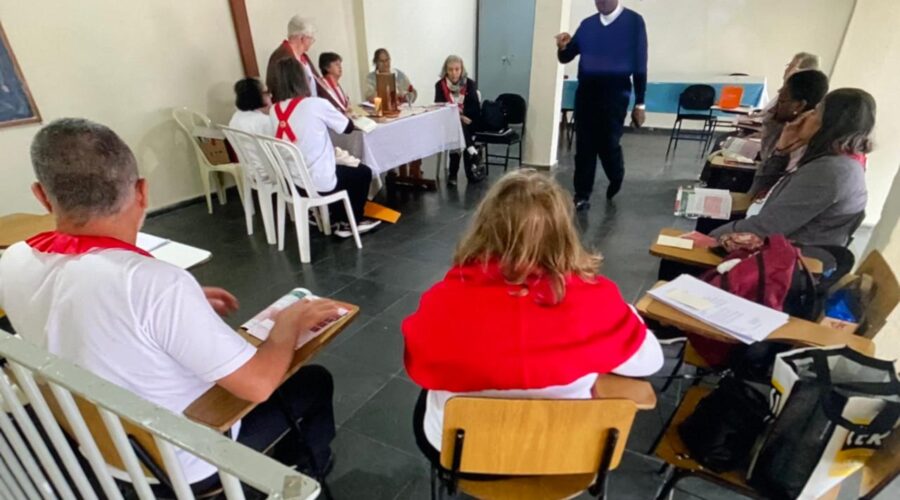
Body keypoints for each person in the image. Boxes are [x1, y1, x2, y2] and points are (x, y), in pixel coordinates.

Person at [0, 118, 341, 491]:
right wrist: (286, 326)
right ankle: (302, 472)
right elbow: (258, 386)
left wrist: (176, 311)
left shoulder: (13, 260)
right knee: (314, 382)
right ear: (142, 191)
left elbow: (83, 314)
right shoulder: (153, 285)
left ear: (42, 196)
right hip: (187, 461)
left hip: (103, 447)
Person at [402, 170, 663, 464]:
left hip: (461, 455)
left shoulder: (443, 299)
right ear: (564, 233)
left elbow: (419, 358)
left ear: (483, 228)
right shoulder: (598, 299)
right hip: (563, 456)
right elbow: (651, 361)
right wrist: (626, 313)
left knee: (429, 394)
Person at [710, 88, 874, 249]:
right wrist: (781, 152)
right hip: (781, 242)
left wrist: (711, 238)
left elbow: (767, 227)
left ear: (827, 124)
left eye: (815, 112)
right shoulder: (837, 163)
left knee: (705, 233)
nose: (805, 116)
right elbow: (758, 193)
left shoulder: (829, 172)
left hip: (788, 255)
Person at [269, 58, 381, 238]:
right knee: (362, 173)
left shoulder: (274, 110)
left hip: (294, 182)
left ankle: (335, 216)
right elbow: (347, 128)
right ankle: (350, 222)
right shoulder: (315, 104)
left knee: (340, 168)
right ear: (302, 79)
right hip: (319, 181)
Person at [557, 0, 648, 208]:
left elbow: (640, 63)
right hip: (586, 95)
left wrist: (640, 103)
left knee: (608, 144)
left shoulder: (634, 22)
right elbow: (567, 56)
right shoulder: (588, 25)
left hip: (615, 96)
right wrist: (562, 47)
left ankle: (616, 175)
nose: (602, 2)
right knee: (584, 147)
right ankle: (582, 194)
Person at [749, 70, 829, 197]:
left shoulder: (799, 139)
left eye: (781, 101)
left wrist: (780, 147)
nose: (775, 108)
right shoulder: (795, 126)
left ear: (799, 106)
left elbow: (760, 188)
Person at [758, 52, 821, 161]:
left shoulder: (799, 133)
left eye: (791, 66)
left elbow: (767, 158)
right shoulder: (790, 96)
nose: (787, 70)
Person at [434, 55, 482, 186]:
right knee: (457, 127)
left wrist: (463, 117)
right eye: (450, 69)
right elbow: (440, 107)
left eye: (457, 69)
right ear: (446, 70)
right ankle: (472, 152)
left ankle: (453, 174)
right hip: (448, 123)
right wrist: (458, 117)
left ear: (461, 69)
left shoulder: (469, 84)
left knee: (459, 129)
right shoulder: (440, 85)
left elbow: (474, 107)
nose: (454, 73)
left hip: (469, 121)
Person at [266, 16, 325, 99]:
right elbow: (286, 91)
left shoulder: (303, 56)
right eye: (311, 38)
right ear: (302, 38)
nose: (312, 42)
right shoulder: (282, 57)